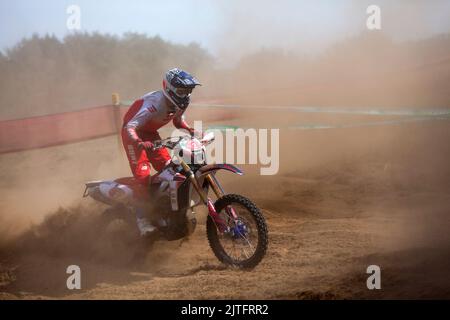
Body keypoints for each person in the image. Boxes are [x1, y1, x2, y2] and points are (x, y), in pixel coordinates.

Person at [121, 68, 201, 237]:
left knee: (170, 169)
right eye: (181, 90)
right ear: (169, 88)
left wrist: (188, 129)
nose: (185, 94)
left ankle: (163, 208)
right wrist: (139, 142)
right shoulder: (154, 103)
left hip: (150, 134)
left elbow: (178, 121)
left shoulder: (182, 102)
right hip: (134, 136)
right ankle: (142, 220)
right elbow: (130, 126)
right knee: (143, 175)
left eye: (188, 91)